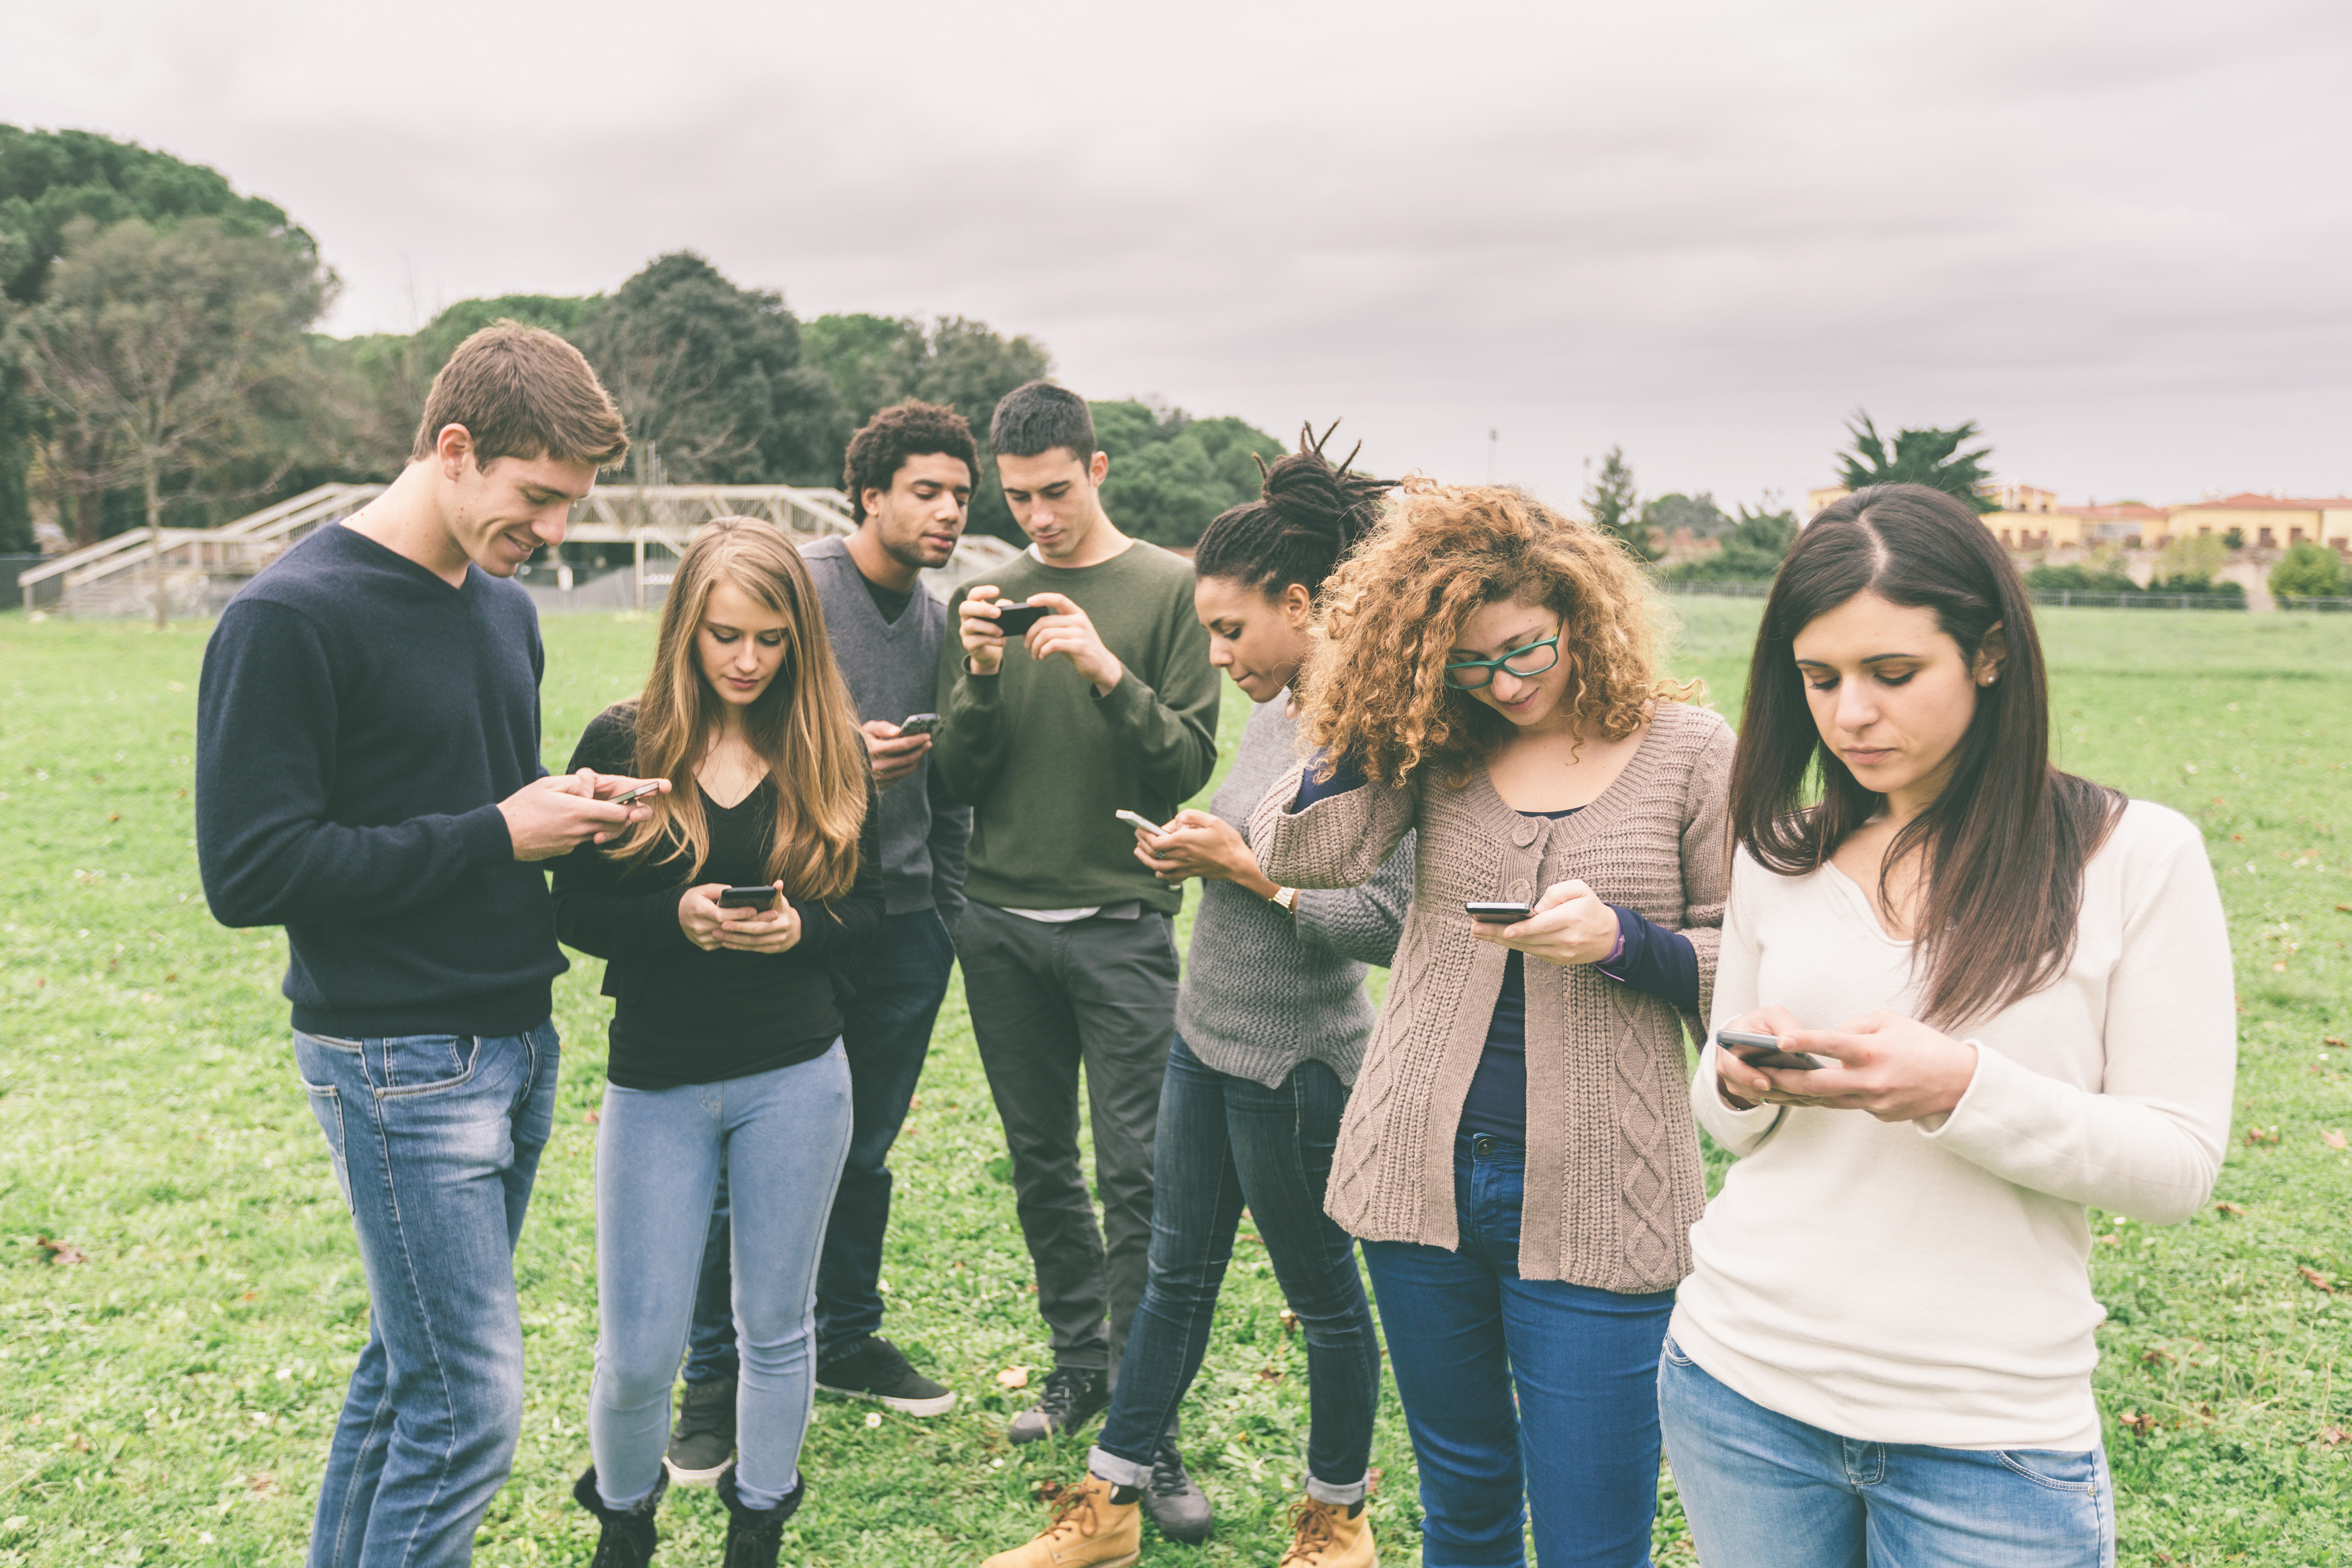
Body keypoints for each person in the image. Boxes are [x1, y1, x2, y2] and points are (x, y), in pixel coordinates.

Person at [1659, 483, 2237, 1567]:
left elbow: (2177, 1168)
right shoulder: (1778, 853)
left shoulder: (2136, 858)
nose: (1850, 717)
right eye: (1819, 679)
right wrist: (1738, 1078)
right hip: (1739, 1387)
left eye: (1892, 674)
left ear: (1989, 655)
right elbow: (1722, 1126)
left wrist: (1960, 1090)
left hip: (1989, 1441)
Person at [194, 323, 651, 1568]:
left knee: (414, 1377)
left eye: (572, 504)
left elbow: (473, 809)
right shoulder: (287, 617)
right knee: (466, 1414)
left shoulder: (502, 609)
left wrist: (578, 817)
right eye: (538, 498)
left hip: (515, 1035)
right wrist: (499, 833)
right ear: (455, 450)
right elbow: (250, 874)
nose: (555, 533)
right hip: (397, 1060)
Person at [1251, 480, 1734, 1567]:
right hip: (1419, 1181)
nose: (1506, 684)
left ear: (1580, 614)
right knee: (1463, 1504)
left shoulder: (1691, 752)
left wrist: (1623, 942)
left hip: (1605, 1189)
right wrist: (1381, 714)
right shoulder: (1438, 748)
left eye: (1526, 651)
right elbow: (1298, 854)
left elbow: (1748, 967)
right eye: (1468, 662)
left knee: (1592, 1534)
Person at [984, 427, 1410, 1568]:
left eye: (1232, 629)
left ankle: (1337, 1522)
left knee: (1324, 1302)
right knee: (1173, 1276)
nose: (1218, 656)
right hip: (1203, 1041)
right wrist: (1197, 854)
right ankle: (1107, 1513)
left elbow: (1385, 921)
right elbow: (1252, 857)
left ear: (1306, 602)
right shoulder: (1274, 715)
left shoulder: (1383, 738)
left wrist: (1248, 873)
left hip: (1297, 1066)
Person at [550, 517, 882, 1567]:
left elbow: (868, 911)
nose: (747, 661)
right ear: (686, 629)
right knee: (642, 1347)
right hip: (659, 1080)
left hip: (796, 1074)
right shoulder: (624, 742)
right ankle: (624, 1518)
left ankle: (759, 1523)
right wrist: (675, 920)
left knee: (776, 1327)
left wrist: (801, 931)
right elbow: (575, 909)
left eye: (772, 639)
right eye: (726, 636)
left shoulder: (828, 744)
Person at [663, 403, 977, 1482]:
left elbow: (958, 786)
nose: (947, 513)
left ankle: (842, 1335)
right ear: (869, 493)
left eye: (959, 497)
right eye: (927, 490)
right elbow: (706, 715)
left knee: (866, 1149)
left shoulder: (938, 625)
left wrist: (948, 907)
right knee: (735, 1161)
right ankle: (712, 1378)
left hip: (900, 924)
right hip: (784, 922)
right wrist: (838, 752)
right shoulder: (791, 586)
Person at [932, 381, 1221, 1515]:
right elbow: (957, 780)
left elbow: (1185, 764)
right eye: (1018, 498)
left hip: (1119, 929)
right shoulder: (986, 593)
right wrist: (985, 682)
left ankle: (1149, 1423)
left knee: (1141, 1174)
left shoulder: (1167, 590)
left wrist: (1106, 670)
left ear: (1098, 471)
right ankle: (1081, 1366)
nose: (1038, 517)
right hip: (999, 927)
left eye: (1055, 491)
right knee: (1042, 1164)